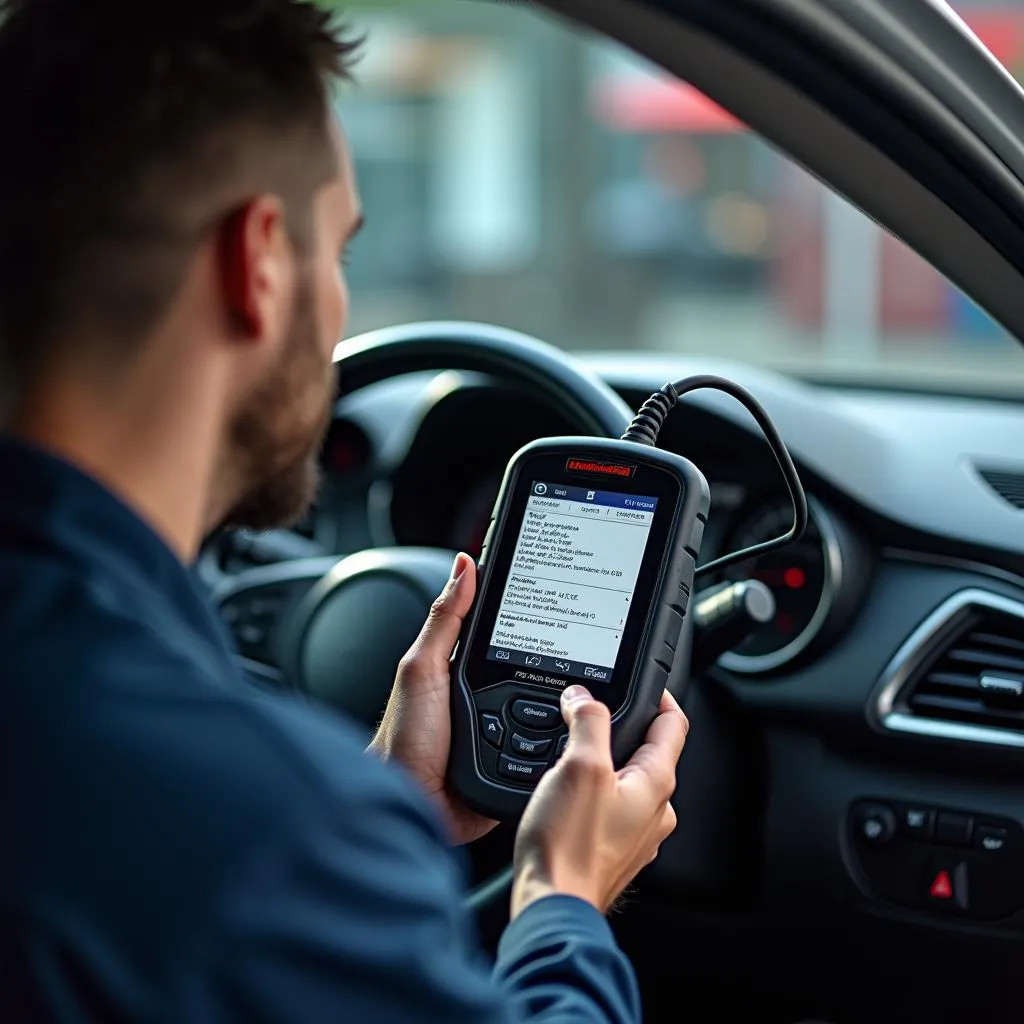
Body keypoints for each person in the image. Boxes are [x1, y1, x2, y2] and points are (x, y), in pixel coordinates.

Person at [0, 2, 689, 1021]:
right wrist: (562, 898)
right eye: (341, 253)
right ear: (261, 261)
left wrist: (391, 810)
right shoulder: (274, 832)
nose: (340, 304)